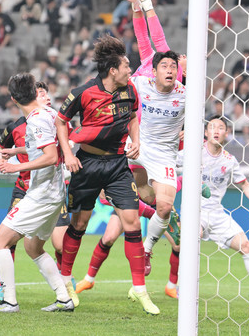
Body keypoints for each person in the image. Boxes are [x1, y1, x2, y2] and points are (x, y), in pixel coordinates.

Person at [55, 35, 159, 315]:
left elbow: (134, 116)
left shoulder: (130, 91)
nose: (130, 70)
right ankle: (65, 282)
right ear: (113, 70)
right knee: (79, 224)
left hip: (117, 165)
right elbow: (60, 121)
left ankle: (140, 290)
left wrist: (135, 140)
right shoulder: (83, 92)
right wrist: (67, 154)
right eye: (126, 66)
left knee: (132, 222)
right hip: (86, 163)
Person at [0, 73, 73, 313]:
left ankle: (9, 301)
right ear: (35, 92)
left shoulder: (36, 120)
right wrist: (17, 150)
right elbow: (50, 146)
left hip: (41, 193)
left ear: (13, 99)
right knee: (33, 248)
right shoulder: (51, 114)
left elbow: (51, 156)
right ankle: (64, 298)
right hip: (55, 193)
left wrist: (16, 166)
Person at [115, 0, 185, 277]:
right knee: (144, 193)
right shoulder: (143, 75)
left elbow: (158, 39)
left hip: (166, 150)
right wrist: (135, 5)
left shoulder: (182, 86)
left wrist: (145, 1)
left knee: (164, 206)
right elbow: (146, 38)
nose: (172, 67)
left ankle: (146, 248)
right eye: (166, 64)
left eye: (175, 64)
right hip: (139, 144)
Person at [195, 116, 249, 304]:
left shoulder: (229, 160)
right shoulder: (194, 152)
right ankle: (183, 287)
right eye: (212, 127)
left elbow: (246, 186)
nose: (216, 130)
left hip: (217, 214)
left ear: (226, 133)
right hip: (195, 212)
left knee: (247, 246)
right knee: (192, 241)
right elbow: (169, 163)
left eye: (221, 128)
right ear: (206, 132)